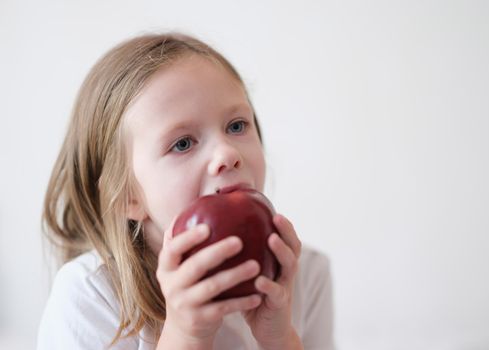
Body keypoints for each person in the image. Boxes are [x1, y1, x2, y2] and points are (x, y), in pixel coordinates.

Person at [37, 32, 334, 350]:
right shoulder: (91, 294)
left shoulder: (304, 275)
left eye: (236, 126)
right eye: (182, 143)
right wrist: (186, 335)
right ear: (128, 197)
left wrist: (280, 339)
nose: (226, 153)